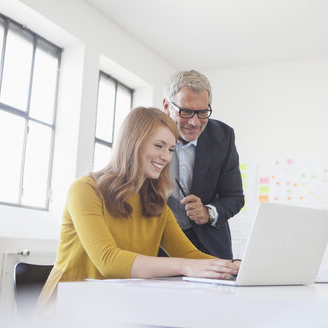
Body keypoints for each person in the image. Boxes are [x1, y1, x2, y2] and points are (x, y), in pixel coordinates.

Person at [36, 107, 239, 310]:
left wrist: (236, 267)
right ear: (133, 143)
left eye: (170, 149)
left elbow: (188, 254)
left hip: (119, 306)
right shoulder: (85, 189)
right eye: (159, 146)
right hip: (69, 307)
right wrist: (184, 266)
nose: (166, 157)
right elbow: (108, 261)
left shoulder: (157, 203)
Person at [162, 70, 244, 259]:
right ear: (167, 105)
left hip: (209, 246)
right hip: (159, 244)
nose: (194, 122)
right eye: (186, 111)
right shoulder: (148, 134)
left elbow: (235, 197)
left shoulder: (223, 136)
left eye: (202, 112)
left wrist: (208, 212)